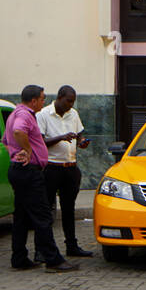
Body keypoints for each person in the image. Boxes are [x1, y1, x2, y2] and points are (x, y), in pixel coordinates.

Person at [5, 85, 78, 273]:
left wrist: (15, 153)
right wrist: (28, 151)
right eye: (42, 98)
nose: (44, 101)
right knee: (43, 215)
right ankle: (52, 259)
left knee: (21, 215)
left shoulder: (14, 113)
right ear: (34, 100)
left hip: (19, 169)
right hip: (29, 171)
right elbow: (18, 132)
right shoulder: (24, 115)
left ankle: (19, 257)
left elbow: (6, 141)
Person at [35, 85, 92, 259]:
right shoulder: (43, 114)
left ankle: (71, 245)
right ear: (59, 97)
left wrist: (81, 141)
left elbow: (80, 132)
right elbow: (40, 141)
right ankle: (41, 250)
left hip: (70, 167)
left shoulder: (73, 114)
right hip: (51, 167)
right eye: (68, 101)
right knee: (45, 210)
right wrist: (61, 137)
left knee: (69, 209)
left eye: (73, 101)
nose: (70, 104)